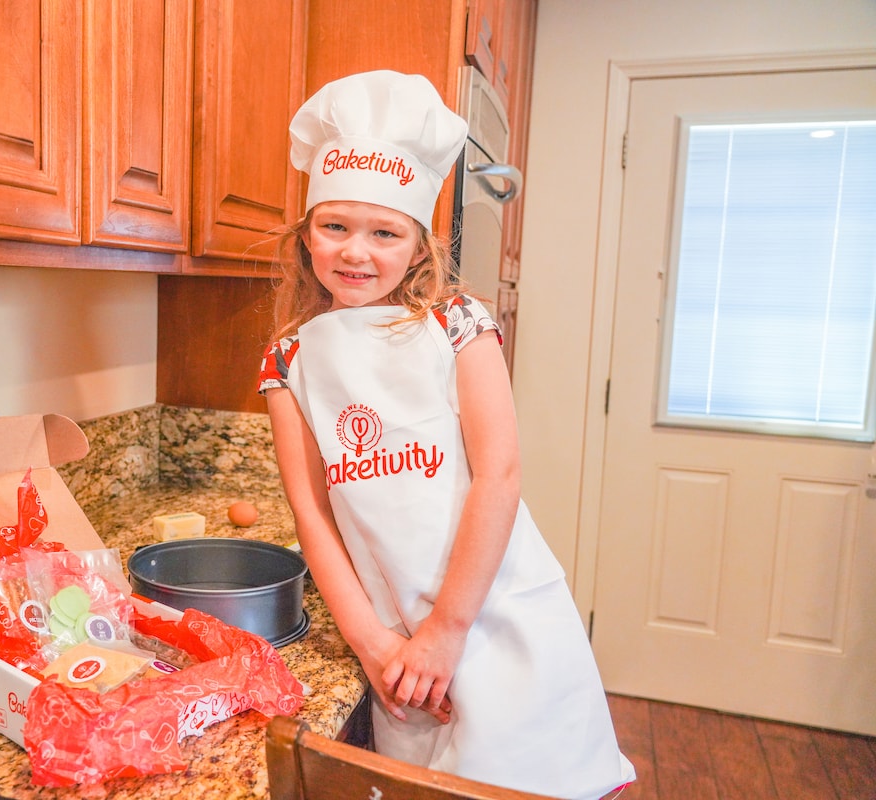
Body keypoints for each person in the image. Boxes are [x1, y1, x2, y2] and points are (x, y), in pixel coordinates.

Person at [258, 70, 635, 800]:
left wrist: (448, 629)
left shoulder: (458, 325)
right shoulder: (289, 358)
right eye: (334, 226)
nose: (355, 252)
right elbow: (314, 514)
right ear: (306, 235)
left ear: (420, 244)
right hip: (398, 641)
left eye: (384, 232)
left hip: (500, 614)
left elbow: (499, 477)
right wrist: (377, 646)